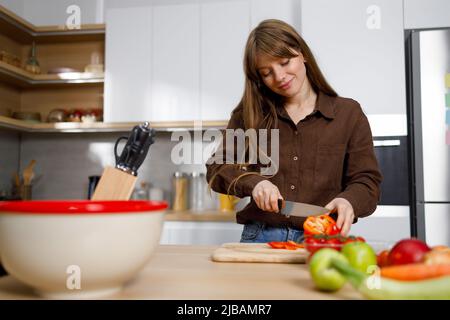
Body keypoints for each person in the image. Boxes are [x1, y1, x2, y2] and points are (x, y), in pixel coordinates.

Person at [206, 19, 382, 243]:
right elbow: (217, 167)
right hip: (260, 237)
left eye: (285, 62)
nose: (279, 77)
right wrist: (254, 182)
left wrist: (349, 201)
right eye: (266, 72)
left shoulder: (349, 113)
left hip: (322, 238)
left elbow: (367, 181)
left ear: (303, 54)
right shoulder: (248, 115)